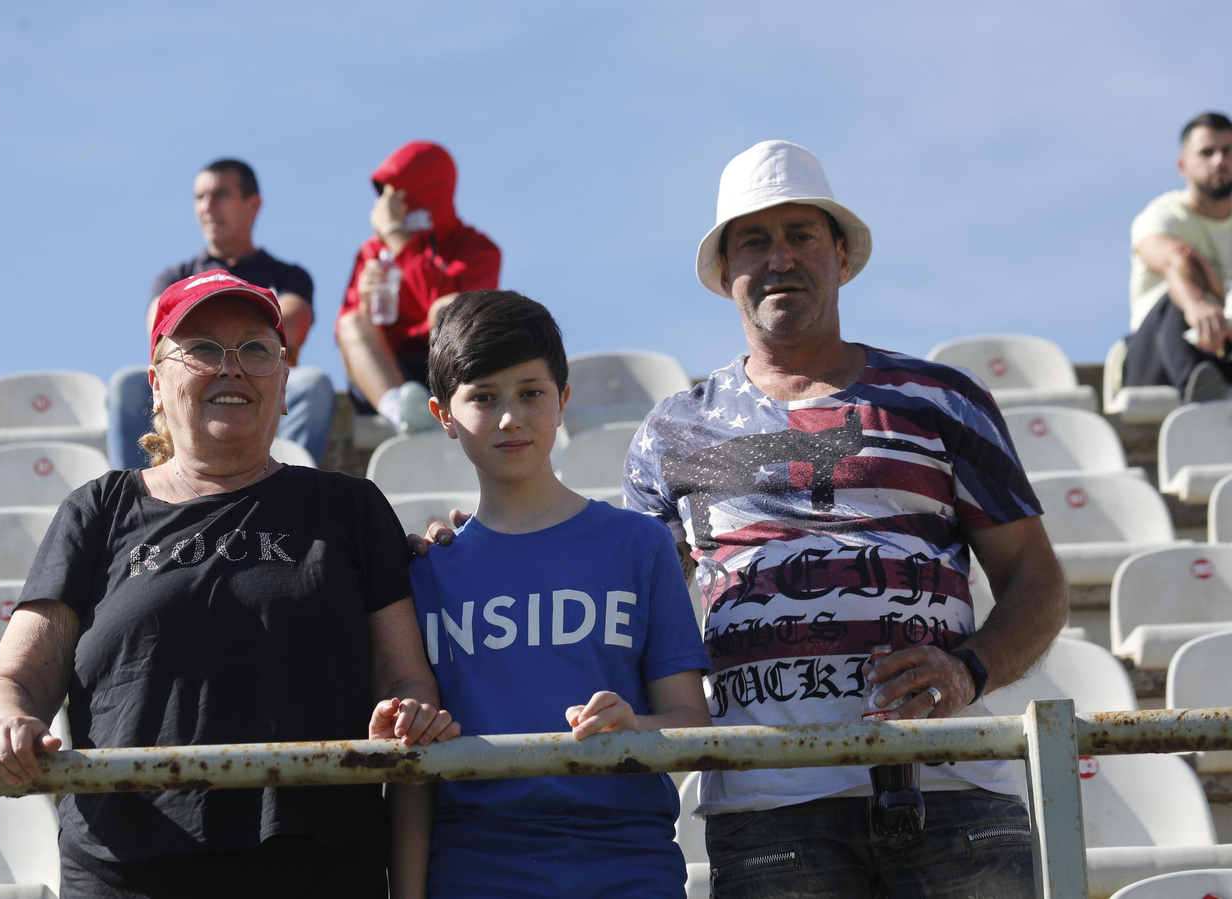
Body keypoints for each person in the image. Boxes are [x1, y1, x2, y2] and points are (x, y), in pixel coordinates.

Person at [619, 140, 1069, 898]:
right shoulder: (673, 431)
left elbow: (1037, 578)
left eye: (801, 234)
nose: (780, 257)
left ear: (840, 255)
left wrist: (968, 671)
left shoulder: (941, 400)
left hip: (952, 787)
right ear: (725, 272)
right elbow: (638, 609)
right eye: (754, 240)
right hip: (769, 806)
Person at [0, 270, 456, 898]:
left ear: (284, 385)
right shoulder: (98, 511)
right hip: (126, 874)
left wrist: (407, 711)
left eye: (257, 348)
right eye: (200, 348)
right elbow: (13, 680)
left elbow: (404, 675)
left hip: (318, 869)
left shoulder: (350, 509)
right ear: (157, 385)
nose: (233, 367)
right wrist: (3, 722)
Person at [395, 290, 710, 898]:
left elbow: (691, 725)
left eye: (530, 392)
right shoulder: (425, 570)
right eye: (483, 397)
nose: (510, 416)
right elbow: (412, 771)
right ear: (443, 414)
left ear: (563, 400)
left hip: (629, 869)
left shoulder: (638, 545)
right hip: (474, 875)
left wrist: (636, 728)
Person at [108, 158, 336, 468]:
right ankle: (137, 503)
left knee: (313, 384)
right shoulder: (172, 276)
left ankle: (286, 487)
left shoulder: (289, 276)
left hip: (257, 383)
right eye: (199, 197)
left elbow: (292, 329)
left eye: (220, 195)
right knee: (129, 383)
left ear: (252, 204)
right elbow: (160, 339)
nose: (207, 206)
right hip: (198, 382)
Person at [335, 141, 501, 433]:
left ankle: (455, 407)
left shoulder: (478, 250)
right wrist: (365, 302)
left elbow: (450, 309)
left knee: (448, 308)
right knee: (352, 323)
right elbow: (346, 335)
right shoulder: (372, 251)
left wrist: (398, 240)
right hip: (386, 376)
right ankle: (402, 413)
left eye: (396, 191)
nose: (387, 202)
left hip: (447, 370)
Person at [1124, 112, 1232, 402]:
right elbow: (1171, 260)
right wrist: (1196, 301)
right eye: (1207, 152)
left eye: (1227, 151)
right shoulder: (1163, 214)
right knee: (1179, 291)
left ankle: (1209, 387)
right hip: (1152, 361)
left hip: (1221, 348)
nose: (1219, 160)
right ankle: (1200, 393)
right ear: (1183, 165)